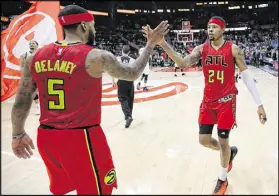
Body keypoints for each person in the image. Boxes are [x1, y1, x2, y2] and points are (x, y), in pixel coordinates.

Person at [10, 4, 169, 195]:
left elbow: (22, 99)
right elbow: (133, 72)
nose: (94, 29)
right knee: (98, 191)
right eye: (93, 25)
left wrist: (17, 134)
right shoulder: (96, 56)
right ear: (84, 26)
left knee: (63, 188)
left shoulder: (34, 57)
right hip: (81, 138)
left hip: (47, 137)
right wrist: (150, 44)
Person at [143, 16, 267, 195]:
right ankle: (228, 154)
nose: (210, 30)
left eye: (215, 27)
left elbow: (247, 76)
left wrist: (259, 104)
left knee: (224, 142)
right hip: (208, 102)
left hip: (226, 102)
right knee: (204, 141)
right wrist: (162, 43)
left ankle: (222, 179)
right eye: (209, 27)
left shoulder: (233, 49)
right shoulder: (202, 49)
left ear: (223, 30)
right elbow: (182, 63)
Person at [114, 45, 136, 128]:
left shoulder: (117, 59)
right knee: (130, 99)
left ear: (122, 51)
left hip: (121, 80)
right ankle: (129, 115)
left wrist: (113, 80)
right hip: (130, 81)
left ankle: (128, 116)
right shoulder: (133, 60)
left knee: (123, 99)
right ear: (129, 52)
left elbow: (113, 70)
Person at [20, 40, 40, 115]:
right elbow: (21, 66)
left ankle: (43, 107)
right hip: (30, 76)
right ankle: (38, 107)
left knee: (43, 91)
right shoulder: (24, 55)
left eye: (33, 43)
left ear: (37, 45)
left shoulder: (40, 53)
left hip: (40, 74)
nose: (31, 45)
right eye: (30, 44)